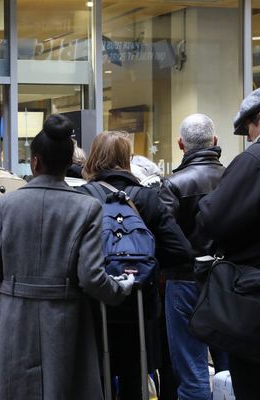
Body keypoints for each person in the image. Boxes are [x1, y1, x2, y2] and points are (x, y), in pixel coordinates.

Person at [0, 115, 134, 400]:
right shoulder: (86, 208)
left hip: (14, 316)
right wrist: (119, 288)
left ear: (34, 162)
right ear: (69, 163)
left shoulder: (7, 204)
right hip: (66, 319)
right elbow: (92, 277)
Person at [79, 131, 193, 400]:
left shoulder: (82, 197)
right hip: (139, 304)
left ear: (94, 157)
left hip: (94, 304)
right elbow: (181, 250)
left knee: (97, 377)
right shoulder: (148, 198)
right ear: (125, 159)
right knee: (135, 377)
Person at [159, 114, 228, 400]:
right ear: (215, 141)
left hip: (184, 282)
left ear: (180, 144)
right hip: (229, 281)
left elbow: (164, 238)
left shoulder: (172, 185)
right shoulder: (234, 179)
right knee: (230, 370)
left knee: (192, 372)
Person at [198, 88, 260, 399]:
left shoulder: (253, 160)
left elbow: (213, 218)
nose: (249, 137)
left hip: (252, 295)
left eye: (249, 127)